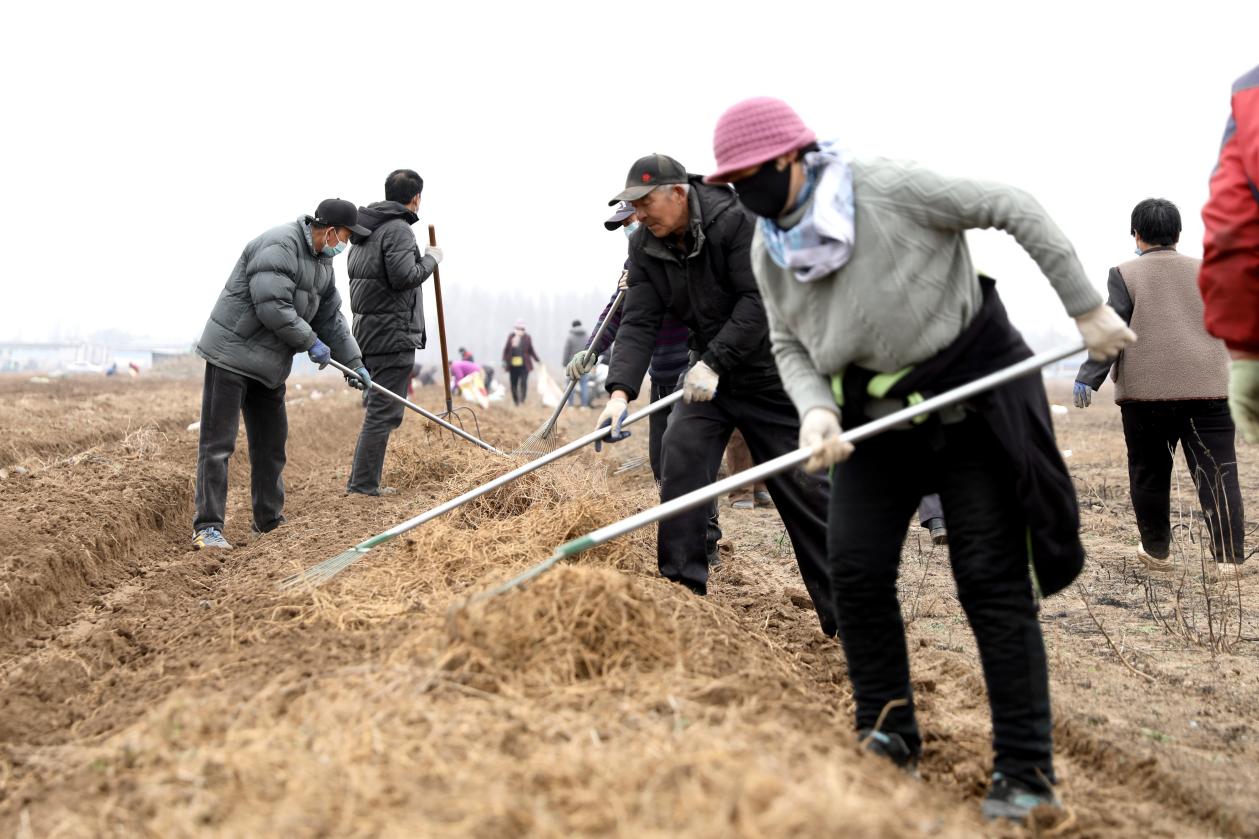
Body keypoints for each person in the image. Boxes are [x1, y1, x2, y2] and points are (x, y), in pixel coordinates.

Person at [705, 97, 1135, 821]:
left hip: (968, 398)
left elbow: (1010, 204)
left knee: (988, 579)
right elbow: (785, 343)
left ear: (790, 160)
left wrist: (1084, 306)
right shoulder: (767, 247)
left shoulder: (883, 187)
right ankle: (887, 729)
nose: (741, 197)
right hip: (874, 416)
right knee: (855, 567)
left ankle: (1025, 771)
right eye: (730, 186)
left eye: (747, 179)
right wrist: (813, 407)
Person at [594, 153, 835, 638]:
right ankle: (683, 596)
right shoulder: (646, 244)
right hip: (708, 377)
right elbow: (639, 319)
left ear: (678, 194)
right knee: (680, 460)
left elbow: (759, 300)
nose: (638, 215)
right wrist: (620, 392)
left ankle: (849, 606)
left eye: (644, 203)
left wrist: (715, 361)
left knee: (806, 490)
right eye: (633, 206)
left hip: (771, 372)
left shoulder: (737, 220)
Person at [1074, 199, 1243, 573]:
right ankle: (1228, 560)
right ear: (1178, 235)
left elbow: (1111, 330)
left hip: (1146, 394)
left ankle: (1156, 551)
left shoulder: (1124, 272)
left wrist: (1089, 377)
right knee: (1219, 472)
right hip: (1210, 388)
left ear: (1136, 234)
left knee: (1149, 472)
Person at [193, 198, 370, 549]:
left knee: (271, 446)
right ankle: (207, 528)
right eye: (345, 237)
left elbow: (331, 316)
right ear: (330, 229)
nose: (344, 245)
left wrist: (355, 362)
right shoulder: (280, 245)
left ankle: (268, 521)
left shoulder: (321, 264)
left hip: (270, 365)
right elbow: (273, 307)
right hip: (231, 355)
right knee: (218, 446)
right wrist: (310, 342)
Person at [567, 202, 691, 480]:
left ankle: (706, 522)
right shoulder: (634, 261)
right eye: (623, 225)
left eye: (630, 220)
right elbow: (617, 312)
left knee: (684, 457)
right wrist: (591, 350)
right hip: (661, 373)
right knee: (660, 460)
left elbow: (692, 300)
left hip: (691, 368)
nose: (628, 228)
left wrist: (654, 281)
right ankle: (674, 517)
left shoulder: (682, 248)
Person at [344, 169, 444, 497]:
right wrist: (430, 260)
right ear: (415, 198)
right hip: (393, 334)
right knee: (383, 411)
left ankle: (363, 481)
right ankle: (362, 485)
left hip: (369, 333)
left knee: (379, 407)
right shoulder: (398, 230)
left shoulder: (364, 231)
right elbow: (404, 277)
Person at [1201, 64, 1259, 447]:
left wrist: (1247, 352)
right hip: (1203, 395)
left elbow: (1232, 228)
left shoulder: (1250, 91)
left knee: (1147, 471)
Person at [502, 320, 539, 406]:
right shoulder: (511, 337)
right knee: (513, 383)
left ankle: (522, 400)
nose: (520, 330)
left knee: (523, 383)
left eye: (522, 329)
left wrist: (537, 360)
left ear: (524, 329)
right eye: (518, 328)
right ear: (515, 328)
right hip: (512, 365)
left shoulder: (527, 338)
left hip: (524, 365)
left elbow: (531, 350)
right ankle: (516, 401)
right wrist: (504, 361)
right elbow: (506, 350)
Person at [562, 319, 592, 407]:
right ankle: (584, 405)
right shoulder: (587, 336)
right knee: (584, 385)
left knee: (570, 386)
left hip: (573, 365)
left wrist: (564, 364)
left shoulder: (570, 337)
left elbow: (566, 352)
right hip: (584, 364)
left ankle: (570, 405)